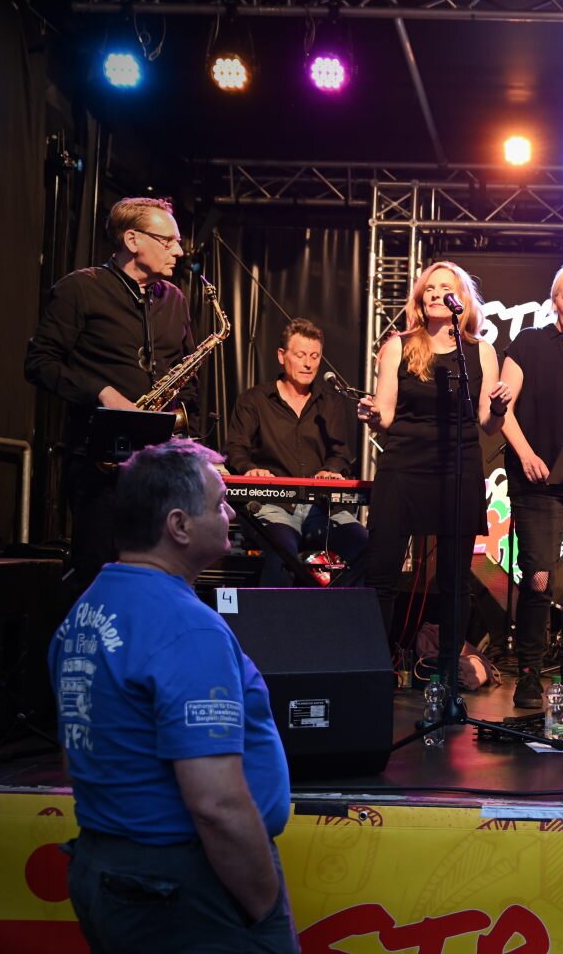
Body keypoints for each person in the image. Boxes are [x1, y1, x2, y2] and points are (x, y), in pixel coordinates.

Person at [50, 438, 296, 953]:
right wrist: (265, 909)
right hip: (179, 884)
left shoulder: (86, 612)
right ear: (179, 525)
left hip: (107, 866)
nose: (231, 513)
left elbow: (78, 758)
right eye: (219, 503)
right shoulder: (186, 628)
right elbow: (216, 804)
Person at [25, 197, 198, 591]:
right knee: (101, 577)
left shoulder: (174, 299)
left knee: (159, 578)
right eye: (168, 241)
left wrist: (191, 439)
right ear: (132, 240)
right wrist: (101, 392)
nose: (179, 251)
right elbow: (39, 362)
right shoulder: (80, 289)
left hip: (160, 467)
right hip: (99, 462)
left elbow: (189, 376)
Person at [356, 261, 511, 667]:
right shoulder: (399, 345)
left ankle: (448, 673)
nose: (435, 293)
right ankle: (375, 666)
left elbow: (487, 424)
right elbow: (385, 415)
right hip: (404, 465)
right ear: (420, 298)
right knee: (382, 572)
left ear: (461, 299)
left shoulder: (480, 351)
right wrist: (372, 415)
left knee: (454, 580)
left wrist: (498, 408)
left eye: (445, 287)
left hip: (457, 467)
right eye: (429, 288)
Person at [500, 262, 563, 710]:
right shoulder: (530, 343)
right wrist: (526, 454)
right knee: (539, 577)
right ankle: (528, 673)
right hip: (539, 483)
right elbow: (502, 408)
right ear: (553, 302)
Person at [225, 318, 367, 586]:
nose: (308, 364)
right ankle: (279, 613)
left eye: (315, 356)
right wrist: (250, 470)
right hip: (273, 506)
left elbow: (340, 453)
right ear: (282, 356)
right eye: (301, 355)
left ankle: (332, 604)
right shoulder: (254, 400)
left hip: (322, 508)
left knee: (364, 544)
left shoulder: (330, 402)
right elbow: (236, 448)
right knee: (282, 552)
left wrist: (331, 470)